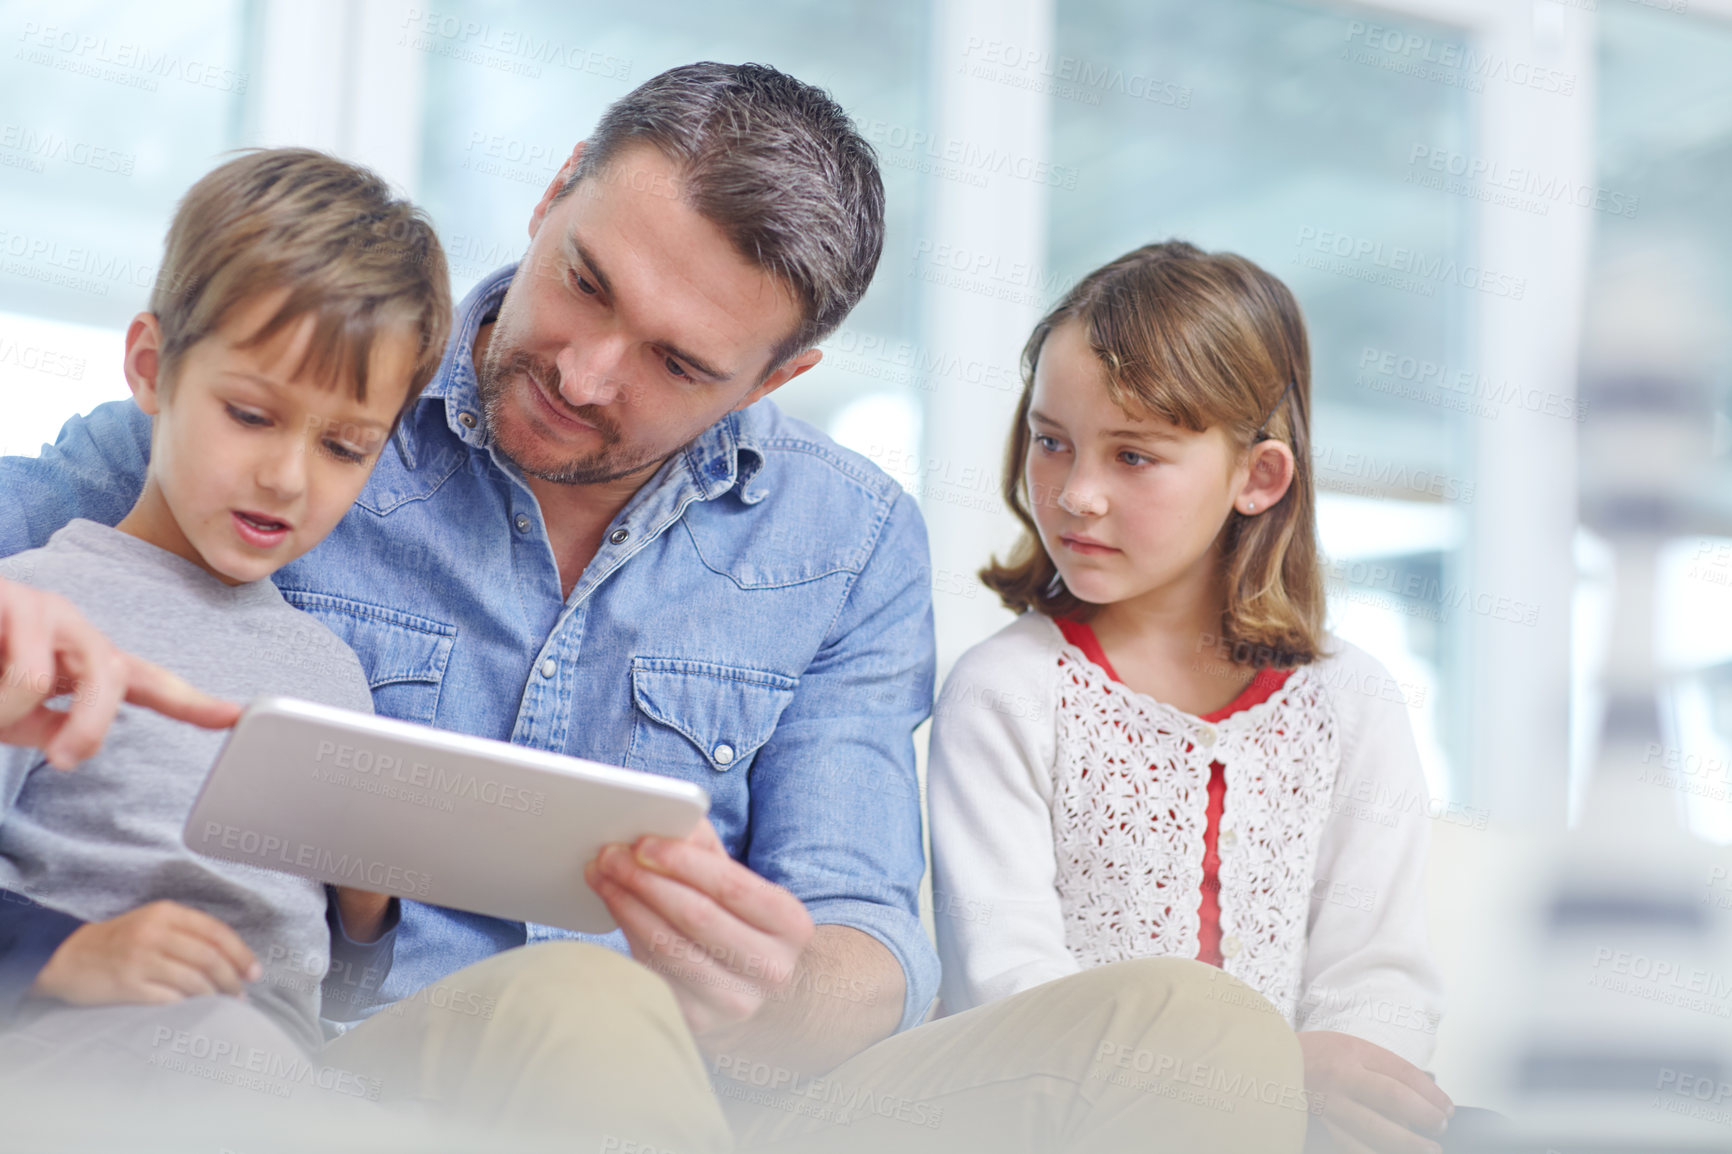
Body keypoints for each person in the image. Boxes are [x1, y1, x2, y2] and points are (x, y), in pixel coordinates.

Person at [1, 66, 1304, 1153]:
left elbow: (866, 926)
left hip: (715, 1100)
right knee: (582, 996)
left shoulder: (844, 541)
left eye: (678, 363)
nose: (581, 369)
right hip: (387, 1070)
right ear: (556, 186)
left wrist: (781, 992)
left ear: (777, 376)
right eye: (586, 280)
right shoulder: (301, 396)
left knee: (1198, 1029)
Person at [926, 241, 1456, 1154]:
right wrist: (1272, 1080)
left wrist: (1346, 1096)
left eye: (1134, 456)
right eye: (1052, 442)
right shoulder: (1004, 694)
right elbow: (1010, 990)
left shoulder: (1353, 703)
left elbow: (1378, 977)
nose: (1077, 495)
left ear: (1258, 478)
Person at [0, 148, 454, 1136]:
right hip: (70, 1049)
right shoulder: (33, 608)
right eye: (250, 415)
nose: (289, 476)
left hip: (270, 1072)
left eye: (344, 446)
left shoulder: (329, 671)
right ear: (152, 370)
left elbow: (329, 977)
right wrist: (70, 955)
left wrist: (369, 895)